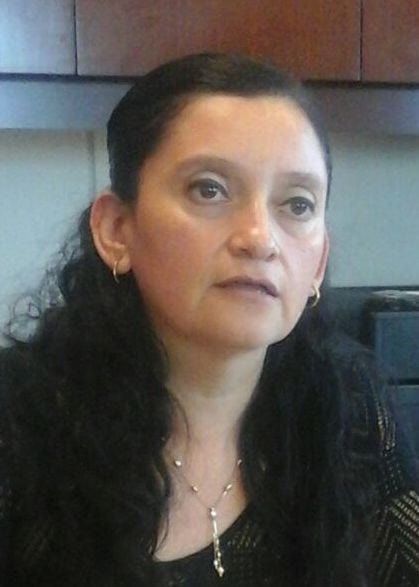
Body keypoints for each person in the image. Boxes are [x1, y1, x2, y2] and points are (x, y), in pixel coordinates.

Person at [0, 53, 418, 587]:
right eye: (209, 189)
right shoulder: (19, 426)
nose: (260, 239)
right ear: (116, 230)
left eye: (297, 204)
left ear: (317, 262)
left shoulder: (348, 406)